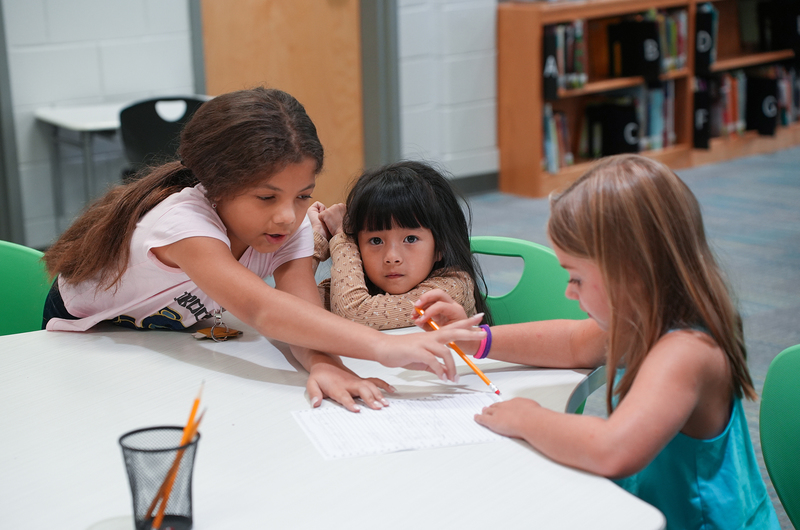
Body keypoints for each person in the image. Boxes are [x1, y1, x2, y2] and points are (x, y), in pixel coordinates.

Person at [42, 87, 486, 413]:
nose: (288, 218)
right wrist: (380, 348)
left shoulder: (283, 226)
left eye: (301, 195)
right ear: (217, 187)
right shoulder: (182, 224)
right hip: (91, 332)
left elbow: (298, 307)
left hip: (168, 330)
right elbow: (264, 310)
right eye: (266, 197)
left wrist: (324, 363)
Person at [415, 154, 780, 529]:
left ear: (631, 273)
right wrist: (478, 340)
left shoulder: (684, 350)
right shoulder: (643, 319)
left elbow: (612, 449)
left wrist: (529, 418)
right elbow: (572, 342)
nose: (570, 293)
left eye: (576, 278)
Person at [308, 160, 492, 330]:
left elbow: (353, 314)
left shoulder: (452, 287)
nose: (392, 258)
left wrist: (341, 238)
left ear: (440, 246)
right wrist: (319, 239)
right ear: (358, 247)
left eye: (410, 239)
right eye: (376, 241)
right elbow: (291, 305)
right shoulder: (362, 283)